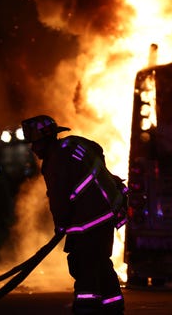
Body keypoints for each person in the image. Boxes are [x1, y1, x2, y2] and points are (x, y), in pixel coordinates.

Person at [21, 115, 128, 315]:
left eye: (34, 143)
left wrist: (61, 225)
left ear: (45, 140)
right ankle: (113, 306)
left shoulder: (55, 160)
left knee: (84, 264)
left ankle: (85, 308)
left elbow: (59, 198)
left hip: (91, 219)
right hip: (108, 213)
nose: (33, 149)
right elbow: (98, 152)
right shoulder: (73, 144)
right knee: (100, 261)